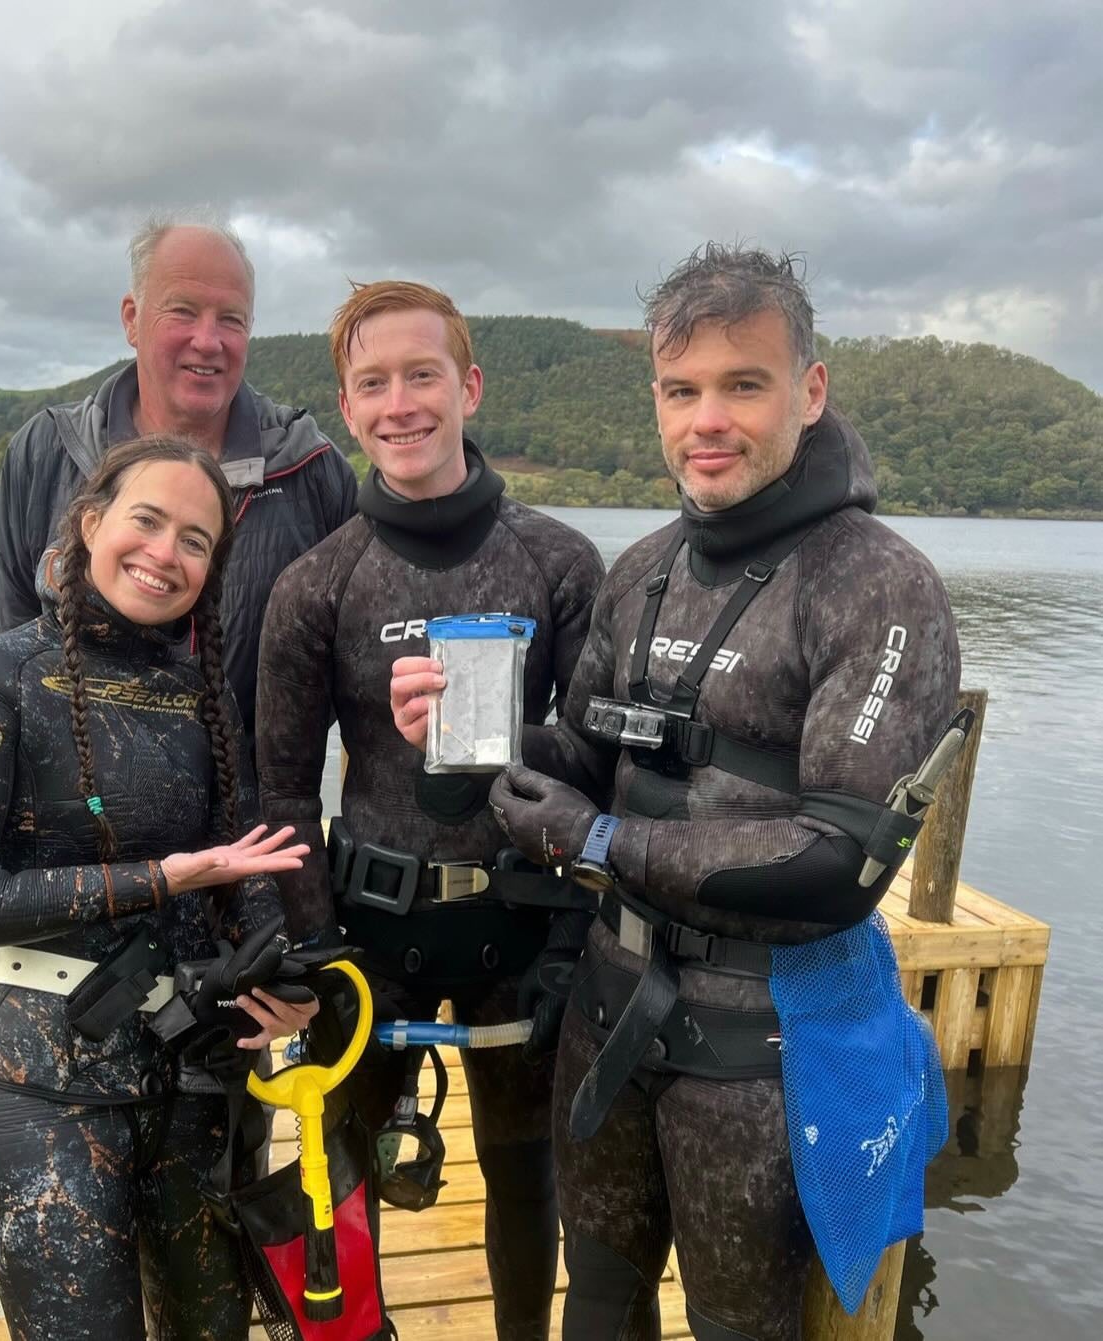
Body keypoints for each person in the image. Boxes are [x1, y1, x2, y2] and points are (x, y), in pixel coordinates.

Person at [393, 245, 961, 1341]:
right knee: (598, 1303)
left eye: (743, 385)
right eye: (681, 389)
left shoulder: (879, 586)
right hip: (607, 1012)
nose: (709, 419)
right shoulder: (643, 568)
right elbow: (581, 751)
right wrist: (471, 745)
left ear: (811, 389)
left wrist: (596, 842)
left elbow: (840, 865)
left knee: (738, 1325)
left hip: (761, 1055)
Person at [0, 436, 318, 1340]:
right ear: (91, 522)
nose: (166, 553)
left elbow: (244, 867)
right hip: (40, 1081)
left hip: (196, 1078)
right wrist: (159, 880)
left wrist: (281, 987)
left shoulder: (206, 698)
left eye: (197, 541)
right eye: (147, 520)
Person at [255, 281, 606, 1341]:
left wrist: (573, 929)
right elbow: (279, 789)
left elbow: (599, 758)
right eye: (374, 384)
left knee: (524, 1175)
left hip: (522, 924)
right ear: (348, 406)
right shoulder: (318, 584)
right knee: (341, 1181)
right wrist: (314, 947)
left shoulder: (559, 562)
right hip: (374, 931)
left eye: (423, 375)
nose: (400, 403)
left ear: (471, 387)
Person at [0, 212, 358, 763]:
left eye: (231, 320)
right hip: (83, 824)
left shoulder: (312, 470)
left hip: (251, 827)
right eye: (183, 311)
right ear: (132, 319)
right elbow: (18, 650)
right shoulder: (44, 454)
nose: (207, 341)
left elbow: (342, 670)